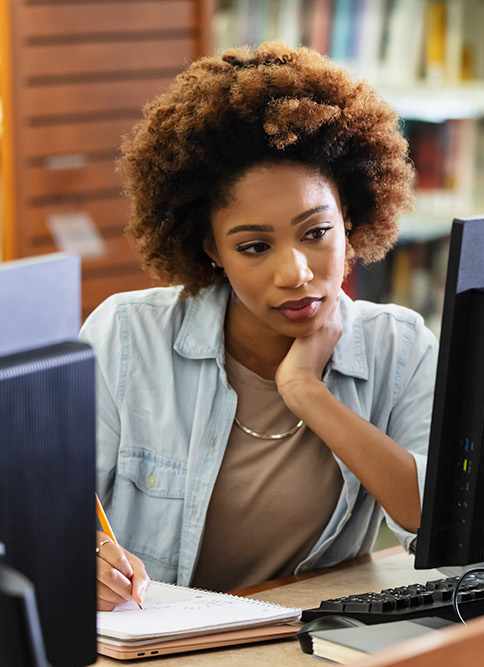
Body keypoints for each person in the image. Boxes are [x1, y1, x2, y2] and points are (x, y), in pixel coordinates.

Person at [80, 41, 437, 610]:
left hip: (300, 646)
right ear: (211, 249)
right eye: (253, 246)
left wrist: (307, 393)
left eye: (316, 233)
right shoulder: (126, 337)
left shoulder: (401, 346)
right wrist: (79, 556)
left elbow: (444, 528)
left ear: (348, 219)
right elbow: (38, 517)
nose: (295, 273)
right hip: (152, 646)